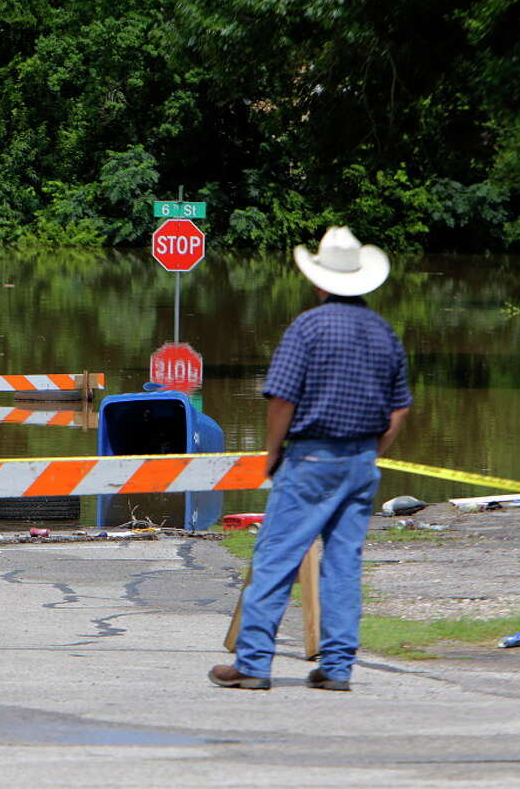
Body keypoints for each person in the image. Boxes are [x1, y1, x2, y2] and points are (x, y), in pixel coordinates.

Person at [209, 226, 412, 691]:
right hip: (360, 459)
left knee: (276, 557)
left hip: (311, 459)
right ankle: (337, 668)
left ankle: (255, 664)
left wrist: (274, 451)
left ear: (320, 281)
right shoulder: (384, 333)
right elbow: (399, 407)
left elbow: (281, 399)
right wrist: (373, 452)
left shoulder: (308, 326)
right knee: (343, 564)